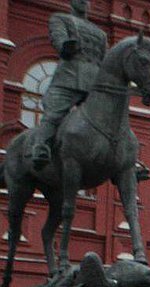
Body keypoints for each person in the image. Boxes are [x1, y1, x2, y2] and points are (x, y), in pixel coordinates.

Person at [26, 0, 108, 169]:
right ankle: (41, 146)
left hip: (94, 84)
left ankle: (126, 160)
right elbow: (58, 39)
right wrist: (66, 46)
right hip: (69, 78)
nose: (83, 2)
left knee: (111, 118)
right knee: (54, 113)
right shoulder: (60, 19)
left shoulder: (100, 34)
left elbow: (106, 62)